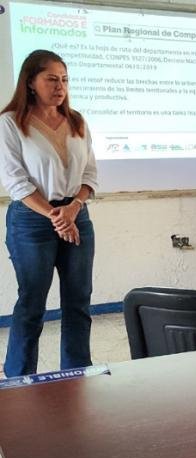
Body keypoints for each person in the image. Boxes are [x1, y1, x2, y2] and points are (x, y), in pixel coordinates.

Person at [1, 50, 98, 376]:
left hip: (76, 215)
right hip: (32, 220)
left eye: (65, 80)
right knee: (32, 303)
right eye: (52, 79)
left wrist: (73, 208)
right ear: (30, 82)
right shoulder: (10, 123)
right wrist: (57, 216)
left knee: (78, 301)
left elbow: (90, 175)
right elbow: (16, 182)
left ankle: (77, 375)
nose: (60, 87)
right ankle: (18, 380)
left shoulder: (77, 121)